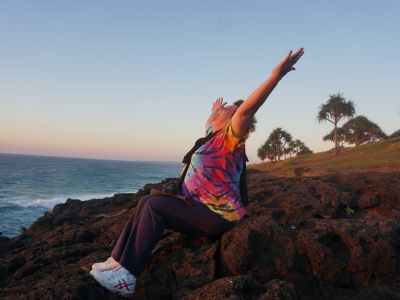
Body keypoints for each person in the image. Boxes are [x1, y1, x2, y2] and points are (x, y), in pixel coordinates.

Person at [90, 48, 304, 296]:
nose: (220, 110)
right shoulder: (209, 138)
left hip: (216, 215)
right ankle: (116, 261)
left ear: (235, 119)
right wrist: (213, 111)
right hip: (196, 206)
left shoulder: (231, 138)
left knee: (154, 207)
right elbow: (210, 121)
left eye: (227, 109)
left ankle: (127, 278)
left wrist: (276, 75)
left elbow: (246, 110)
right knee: (147, 200)